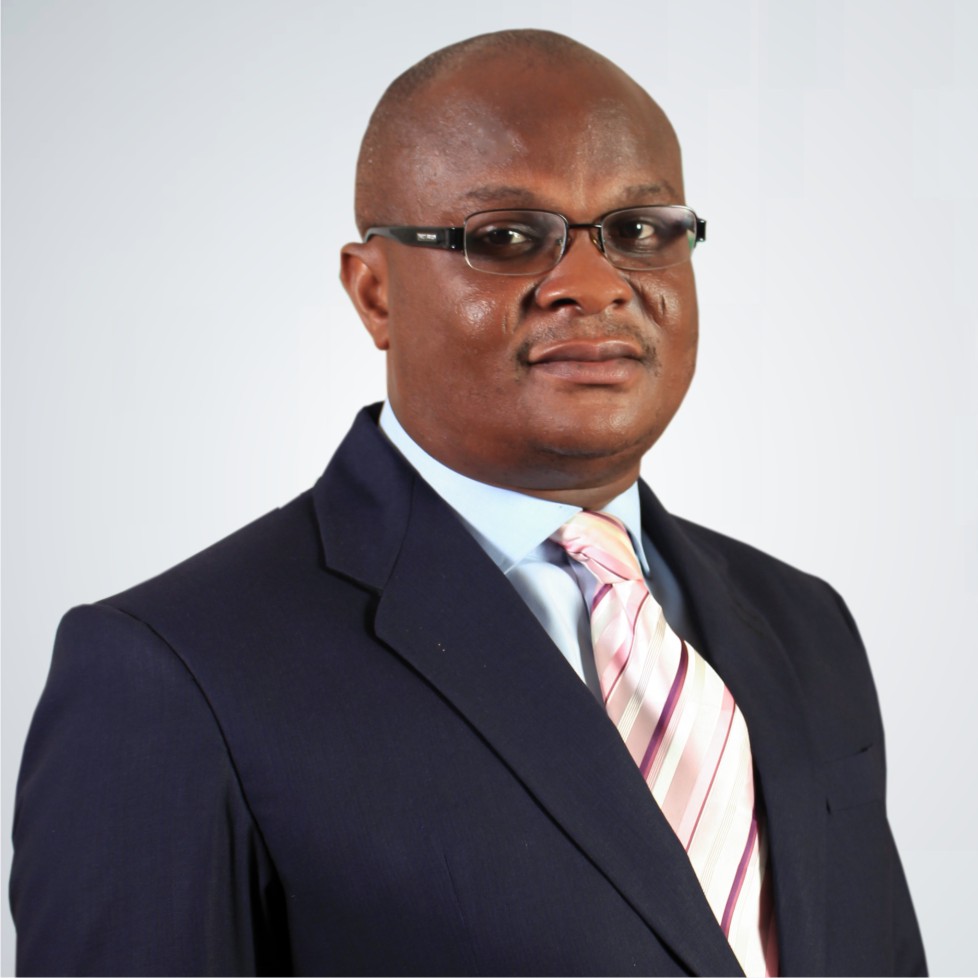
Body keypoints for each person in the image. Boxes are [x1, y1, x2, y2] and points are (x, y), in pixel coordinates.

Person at [10, 28, 925, 977]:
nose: (594, 285)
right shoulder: (169, 674)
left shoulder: (804, 624)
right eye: (506, 239)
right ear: (374, 293)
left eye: (640, 230)